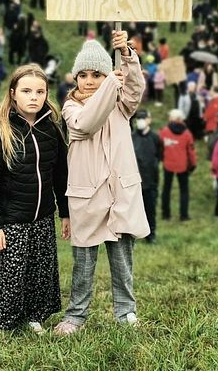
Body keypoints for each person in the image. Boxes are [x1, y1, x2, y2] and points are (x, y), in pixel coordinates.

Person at [54, 34, 149, 335]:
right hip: (87, 197)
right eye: (83, 75)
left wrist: (126, 53)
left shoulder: (121, 106)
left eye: (97, 75)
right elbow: (86, 124)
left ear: (108, 74)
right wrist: (111, 84)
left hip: (119, 194)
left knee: (122, 261)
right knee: (83, 264)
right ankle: (76, 316)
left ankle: (126, 312)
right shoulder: (71, 108)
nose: (89, 81)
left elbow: (134, 88)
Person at [0, 64, 68, 333]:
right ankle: (3, 326)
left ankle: (34, 318)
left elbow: (61, 174)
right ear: (13, 93)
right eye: (27, 91)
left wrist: (65, 212)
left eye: (40, 91)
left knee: (40, 273)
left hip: (42, 217)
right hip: (11, 221)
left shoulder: (51, 128)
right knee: (11, 277)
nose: (34, 97)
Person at [160, 108, 196, 221]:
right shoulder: (187, 134)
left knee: (166, 189)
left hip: (168, 164)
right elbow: (191, 151)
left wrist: (162, 158)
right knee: (184, 190)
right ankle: (183, 215)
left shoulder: (164, 131)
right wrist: (193, 164)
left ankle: (166, 214)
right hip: (183, 165)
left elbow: (159, 146)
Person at [132, 109, 162, 244]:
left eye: (143, 118)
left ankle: (151, 234)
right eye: (139, 118)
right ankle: (133, 234)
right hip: (135, 180)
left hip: (151, 180)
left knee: (150, 208)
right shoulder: (132, 137)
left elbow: (160, 156)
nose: (141, 121)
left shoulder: (155, 138)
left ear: (149, 120)